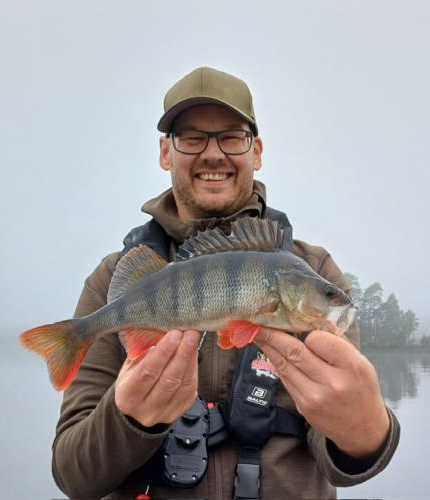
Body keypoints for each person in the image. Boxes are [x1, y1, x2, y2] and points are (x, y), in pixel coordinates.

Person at [51, 66, 400, 499]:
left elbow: (344, 461)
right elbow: (72, 475)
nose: (213, 154)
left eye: (232, 136)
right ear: (165, 152)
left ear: (257, 152)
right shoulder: (113, 280)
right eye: (192, 138)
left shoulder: (312, 271)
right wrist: (129, 419)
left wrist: (366, 433)